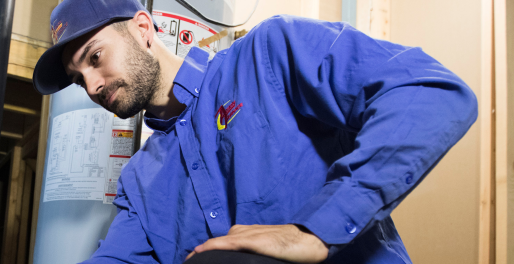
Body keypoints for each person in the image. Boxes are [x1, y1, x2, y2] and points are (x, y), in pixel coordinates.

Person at [31, 0, 478, 263]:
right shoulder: (139, 183)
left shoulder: (271, 55)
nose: (91, 85)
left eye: (94, 57)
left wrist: (315, 229)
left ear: (143, 30)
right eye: (77, 78)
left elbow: (430, 91)